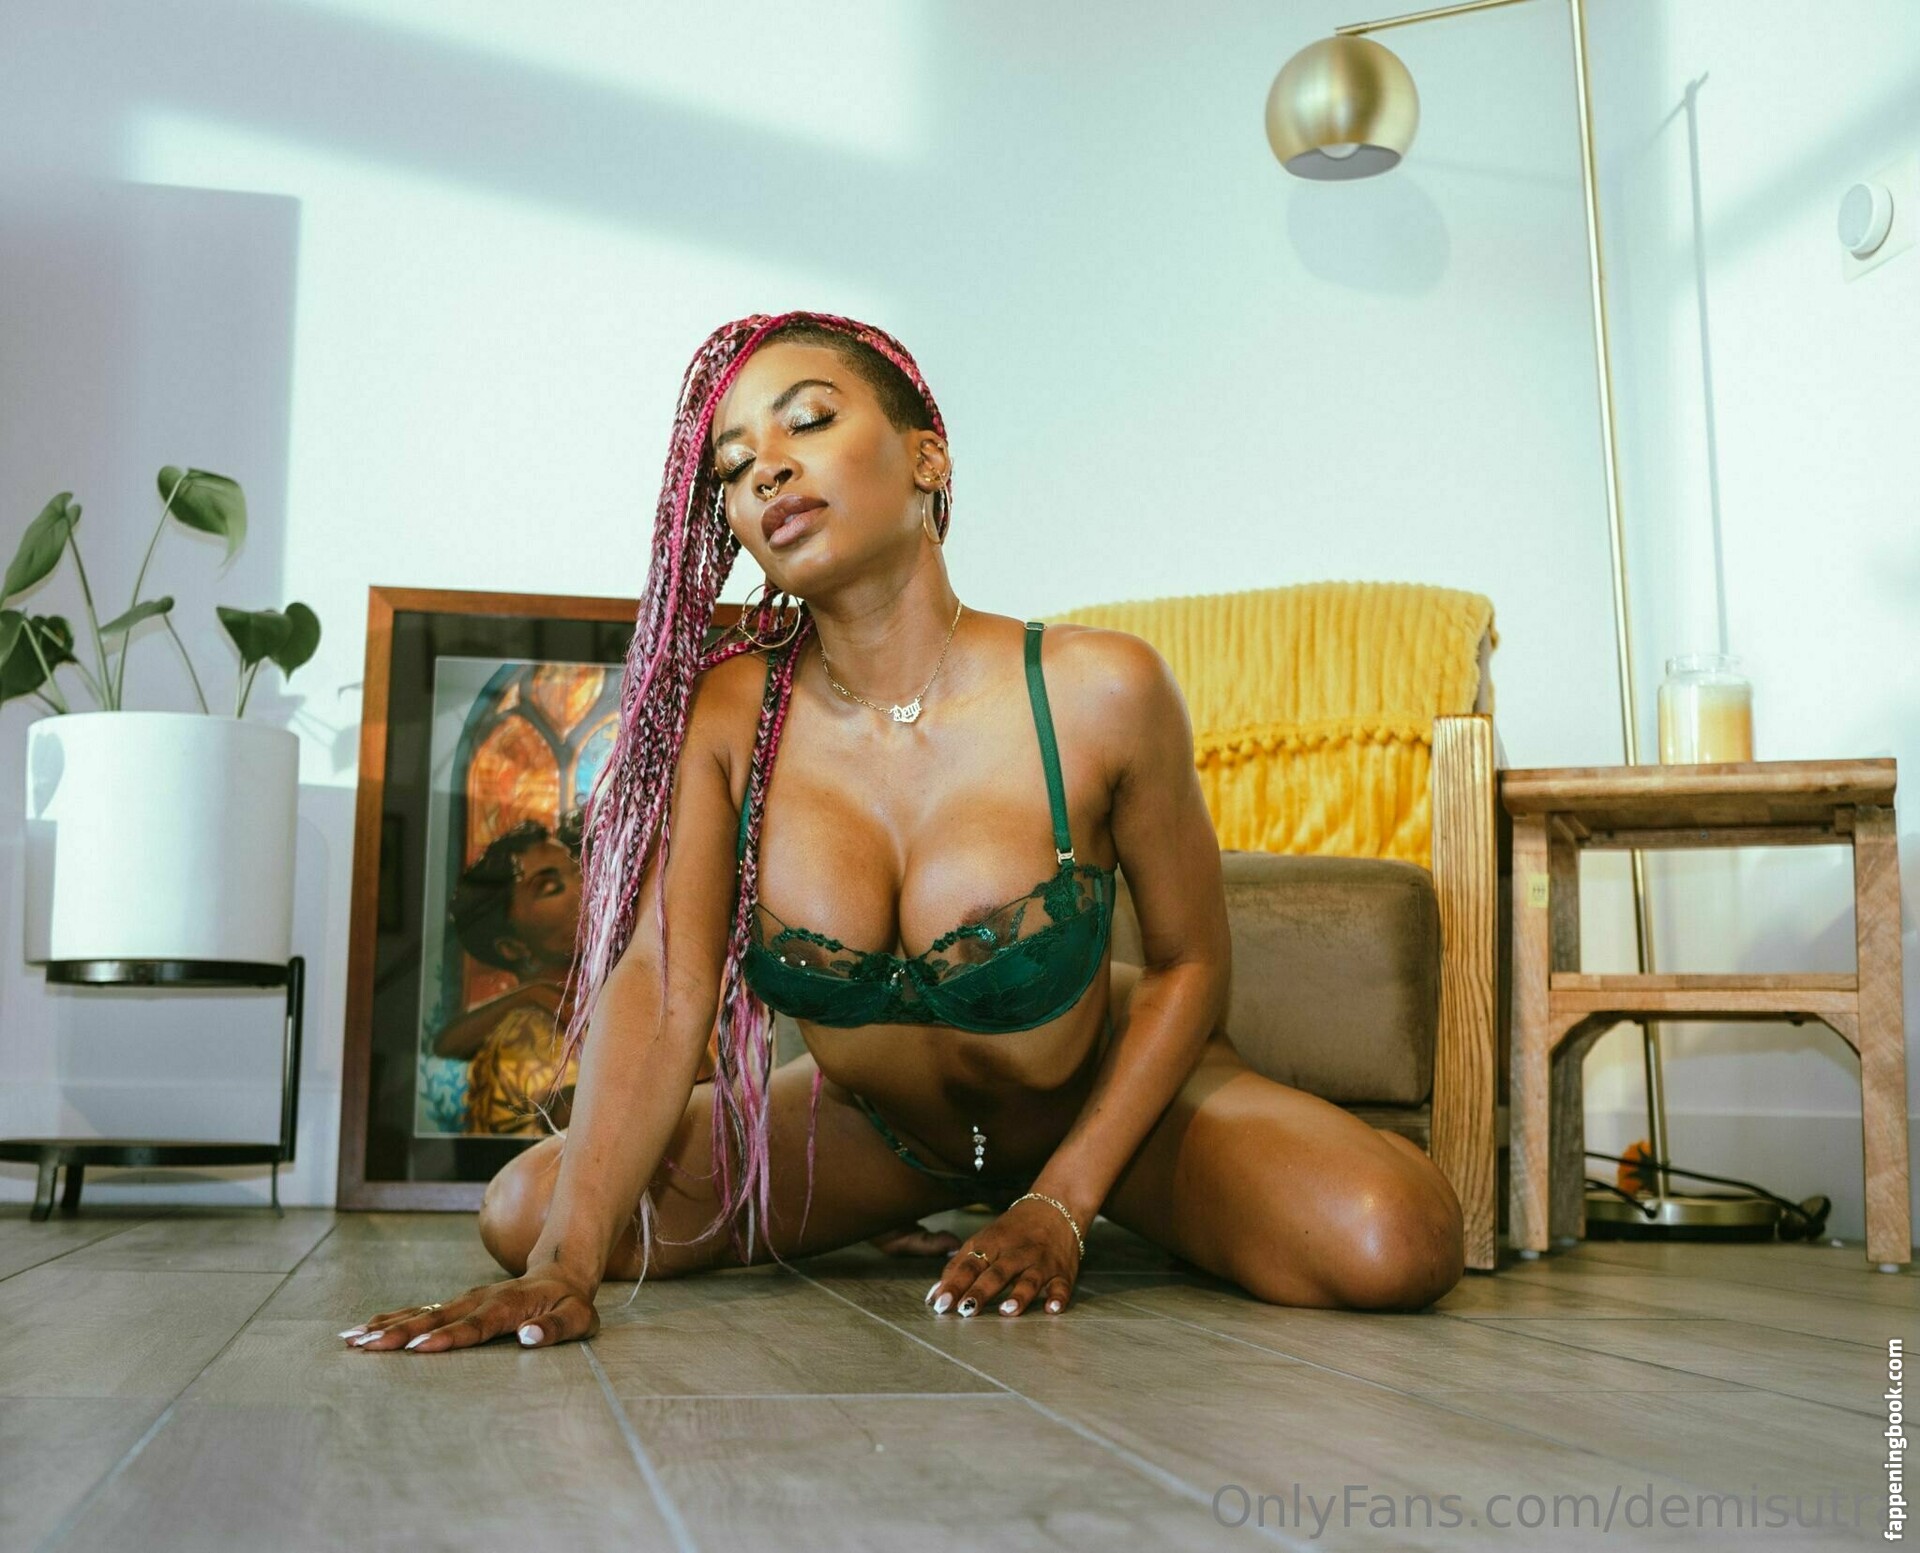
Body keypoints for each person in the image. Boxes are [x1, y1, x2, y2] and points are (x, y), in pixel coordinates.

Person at [339, 311, 1465, 1356]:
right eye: (732, 465)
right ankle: (918, 1207)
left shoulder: (1097, 689)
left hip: (1097, 1103)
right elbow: (668, 979)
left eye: (808, 420)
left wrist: (1061, 1202)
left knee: (1392, 1236)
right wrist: (565, 1267)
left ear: (928, 456)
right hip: (875, 1134)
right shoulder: (729, 716)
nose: (766, 468)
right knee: (525, 1209)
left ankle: (1112, 1197)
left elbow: (1189, 965)